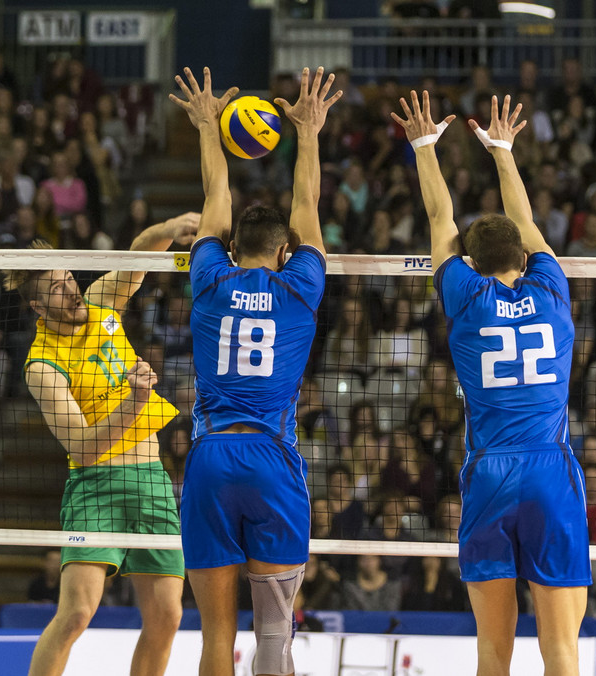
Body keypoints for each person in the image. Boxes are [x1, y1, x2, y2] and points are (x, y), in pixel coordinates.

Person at [391, 91, 588, 676]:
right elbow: (527, 224)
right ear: (525, 260)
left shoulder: (467, 295)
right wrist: (503, 152)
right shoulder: (552, 288)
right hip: (549, 469)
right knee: (561, 652)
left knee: (492, 654)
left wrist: (425, 147)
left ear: (472, 266)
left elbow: (439, 221)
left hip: (491, 474)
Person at [169, 65, 339, 676]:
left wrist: (209, 126)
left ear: (233, 247)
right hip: (271, 461)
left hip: (211, 459)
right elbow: (308, 204)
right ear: (284, 253)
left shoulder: (210, 277)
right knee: (273, 639)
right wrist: (309, 130)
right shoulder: (300, 286)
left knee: (217, 638)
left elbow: (216, 200)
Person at [7, 212, 198, 676]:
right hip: (96, 487)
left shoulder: (99, 306)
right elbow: (84, 446)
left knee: (168, 617)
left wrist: (170, 228)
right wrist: (134, 400)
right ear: (36, 306)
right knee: (75, 615)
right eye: (55, 287)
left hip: (152, 480)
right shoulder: (42, 365)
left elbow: (136, 260)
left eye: (68, 277)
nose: (70, 290)